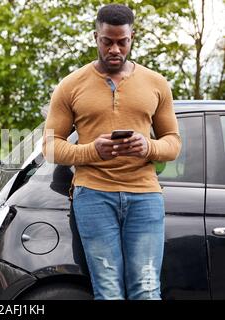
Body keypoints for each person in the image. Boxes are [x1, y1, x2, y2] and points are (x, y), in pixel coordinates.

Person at [42, 4, 181, 300]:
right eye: (107, 41)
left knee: (146, 289)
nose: (115, 49)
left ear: (132, 38)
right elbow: (50, 147)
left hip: (145, 196)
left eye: (122, 41)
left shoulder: (156, 84)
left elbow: (173, 142)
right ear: (96, 37)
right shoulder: (70, 85)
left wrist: (149, 146)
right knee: (108, 291)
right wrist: (92, 150)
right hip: (93, 196)